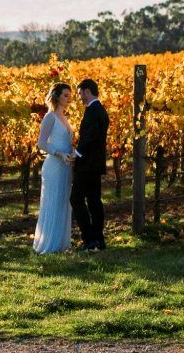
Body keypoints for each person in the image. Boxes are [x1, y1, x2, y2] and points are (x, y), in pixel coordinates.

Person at [32, 82, 75, 254]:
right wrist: (59, 154)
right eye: (66, 95)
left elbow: (67, 142)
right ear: (56, 97)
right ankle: (49, 244)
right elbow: (41, 143)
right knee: (53, 201)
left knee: (64, 202)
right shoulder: (50, 117)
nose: (69, 98)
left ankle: (62, 244)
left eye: (70, 95)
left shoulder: (65, 117)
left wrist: (72, 153)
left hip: (66, 166)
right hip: (54, 165)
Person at [71, 78, 108, 251]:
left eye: (80, 93)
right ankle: (98, 240)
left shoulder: (93, 110)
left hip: (87, 164)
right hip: (95, 164)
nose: (79, 97)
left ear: (87, 91)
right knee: (94, 201)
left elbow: (91, 135)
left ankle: (89, 239)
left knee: (76, 198)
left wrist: (77, 153)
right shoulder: (100, 109)